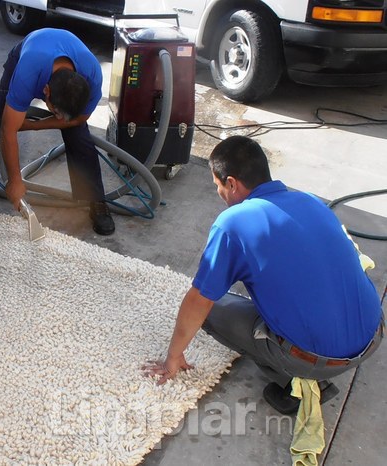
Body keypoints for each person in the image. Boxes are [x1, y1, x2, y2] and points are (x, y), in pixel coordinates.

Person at [144, 136, 384, 414]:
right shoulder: (310, 201)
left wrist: (172, 357)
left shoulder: (232, 224)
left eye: (218, 186)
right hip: (374, 333)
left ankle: (302, 382)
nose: (219, 194)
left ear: (231, 183)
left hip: (320, 359)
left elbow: (200, 299)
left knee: (209, 310)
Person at [0, 28, 115, 236]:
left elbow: (79, 119)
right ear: (45, 92)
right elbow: (8, 129)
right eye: (56, 112)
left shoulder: (92, 76)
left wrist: (32, 125)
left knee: (78, 134)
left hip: (56, 53)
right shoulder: (27, 73)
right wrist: (14, 181)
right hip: (28, 55)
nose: (60, 119)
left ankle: (95, 200)